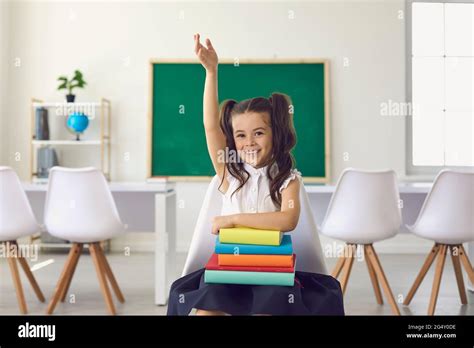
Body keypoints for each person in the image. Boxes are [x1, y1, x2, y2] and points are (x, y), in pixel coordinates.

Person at [166, 34, 344, 316]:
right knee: (206, 310)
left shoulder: (288, 179)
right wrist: (211, 72)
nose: (249, 142)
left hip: (270, 273)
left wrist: (233, 219)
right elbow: (210, 126)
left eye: (258, 133)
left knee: (269, 308)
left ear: (276, 133)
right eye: (240, 135)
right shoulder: (229, 171)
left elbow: (287, 219)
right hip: (229, 272)